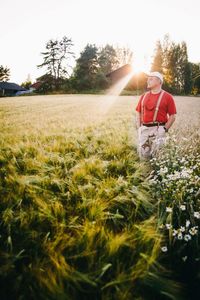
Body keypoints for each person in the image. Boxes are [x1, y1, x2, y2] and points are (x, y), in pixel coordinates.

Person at [135, 71, 177, 159]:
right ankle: (145, 172)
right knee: (144, 156)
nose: (148, 81)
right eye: (148, 79)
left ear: (159, 82)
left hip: (159, 129)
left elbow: (172, 116)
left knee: (157, 157)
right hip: (144, 129)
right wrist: (139, 128)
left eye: (151, 79)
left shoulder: (168, 97)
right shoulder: (144, 96)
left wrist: (164, 129)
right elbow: (138, 112)